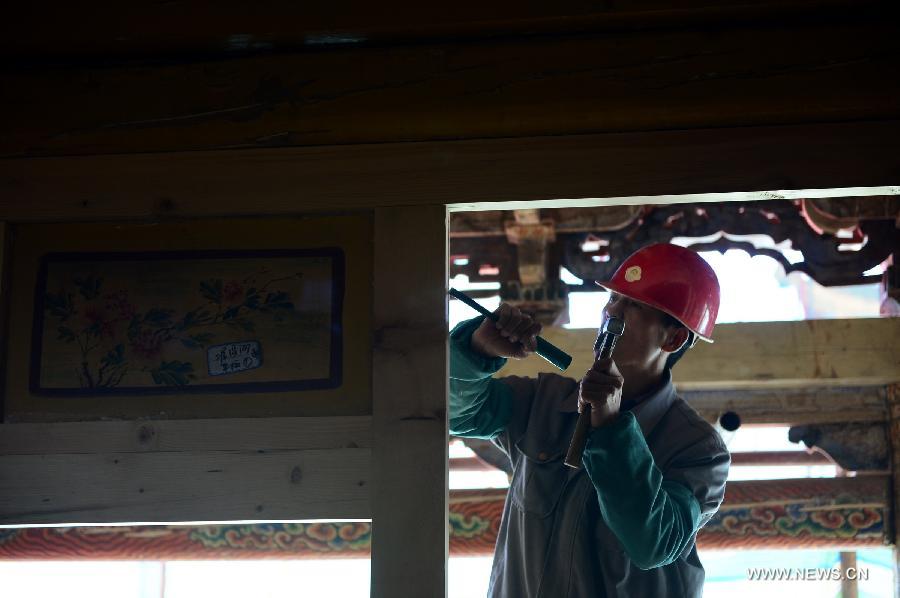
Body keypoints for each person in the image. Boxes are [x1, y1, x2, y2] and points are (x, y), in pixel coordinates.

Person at [449, 243, 731, 597]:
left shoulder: (698, 450)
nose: (613, 313)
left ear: (673, 338)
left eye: (634, 306)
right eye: (613, 299)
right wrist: (476, 351)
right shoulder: (544, 403)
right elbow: (456, 412)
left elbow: (654, 543)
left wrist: (612, 429)